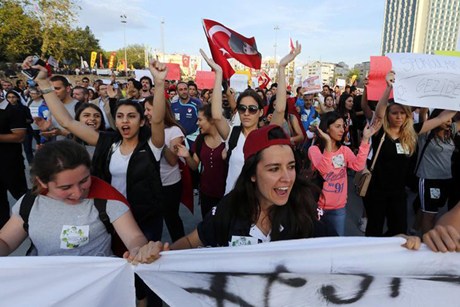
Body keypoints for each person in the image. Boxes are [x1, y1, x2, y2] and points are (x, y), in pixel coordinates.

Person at [0, 140, 163, 264]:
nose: (78, 193)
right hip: (45, 287)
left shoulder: (106, 201)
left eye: (84, 180)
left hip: (96, 287)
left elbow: (134, 237)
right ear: (42, 182)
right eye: (65, 187)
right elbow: (6, 242)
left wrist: (139, 250)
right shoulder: (29, 203)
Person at [205, 43, 300, 194]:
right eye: (242, 108)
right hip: (232, 204)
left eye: (252, 109)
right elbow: (216, 115)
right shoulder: (232, 134)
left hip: (257, 205)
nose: (246, 113)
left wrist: (281, 68)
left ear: (261, 112)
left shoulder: (265, 135)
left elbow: (280, 109)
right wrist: (218, 74)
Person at [308, 111, 379, 235]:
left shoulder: (344, 150)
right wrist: (329, 145)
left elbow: (358, 166)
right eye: (337, 126)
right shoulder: (314, 150)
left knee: (336, 243)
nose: (342, 130)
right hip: (318, 207)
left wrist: (365, 140)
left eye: (343, 126)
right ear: (327, 129)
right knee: (318, 244)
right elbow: (323, 170)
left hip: (338, 208)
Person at [144, 96, 186, 242]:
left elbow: (173, 160)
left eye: (149, 109)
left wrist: (158, 139)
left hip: (169, 184)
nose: (146, 113)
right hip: (149, 184)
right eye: (145, 110)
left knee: (171, 219)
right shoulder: (143, 130)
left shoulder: (174, 131)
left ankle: (181, 248)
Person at [176, 104, 227, 219]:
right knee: (209, 227)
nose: (197, 123)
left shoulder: (228, 140)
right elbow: (194, 166)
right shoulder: (200, 139)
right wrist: (186, 156)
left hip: (226, 195)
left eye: (200, 119)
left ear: (212, 120)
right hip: (206, 194)